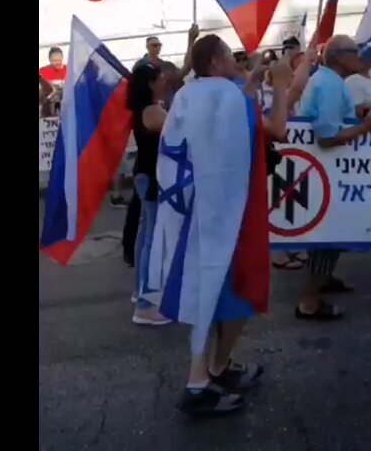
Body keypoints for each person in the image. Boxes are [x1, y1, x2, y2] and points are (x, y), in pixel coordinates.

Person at [152, 34, 291, 416]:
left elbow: (223, 118)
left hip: (198, 209)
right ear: (216, 62)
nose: (235, 60)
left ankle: (216, 368)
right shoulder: (229, 97)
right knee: (237, 292)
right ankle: (202, 379)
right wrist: (280, 85)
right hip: (231, 210)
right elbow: (276, 129)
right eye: (229, 55)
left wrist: (252, 81)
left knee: (209, 290)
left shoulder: (188, 95)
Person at [295, 35, 371, 321]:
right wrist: (366, 127)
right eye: (355, 52)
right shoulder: (330, 84)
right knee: (328, 233)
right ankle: (309, 302)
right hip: (327, 168)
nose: (359, 57)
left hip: (326, 169)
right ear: (341, 57)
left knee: (332, 231)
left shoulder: (327, 81)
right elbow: (328, 137)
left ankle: (324, 278)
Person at [124, 62, 175, 324]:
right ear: (150, 84)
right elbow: (179, 129)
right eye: (159, 77)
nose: (164, 80)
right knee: (153, 240)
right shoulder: (153, 112)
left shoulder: (145, 109)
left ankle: (140, 292)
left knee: (146, 236)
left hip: (145, 174)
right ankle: (146, 304)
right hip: (152, 176)